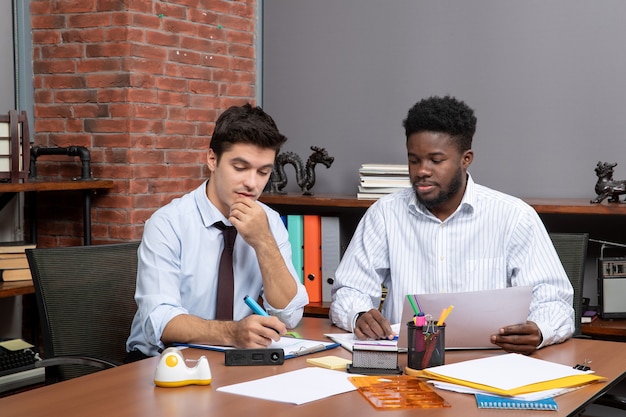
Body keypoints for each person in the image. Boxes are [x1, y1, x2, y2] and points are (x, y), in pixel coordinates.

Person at [330, 95, 574, 354]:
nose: (422, 170)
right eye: (414, 160)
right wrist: (358, 315)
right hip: (410, 366)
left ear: (465, 158)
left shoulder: (514, 217)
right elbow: (348, 290)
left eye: (435, 160)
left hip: (490, 363)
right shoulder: (384, 214)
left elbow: (554, 299)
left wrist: (539, 329)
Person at [126, 103, 309, 359]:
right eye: (240, 167)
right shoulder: (168, 223)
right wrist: (233, 333)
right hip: (163, 362)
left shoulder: (268, 221)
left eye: (263, 172)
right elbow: (160, 320)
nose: (252, 183)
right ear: (212, 159)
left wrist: (263, 241)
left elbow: (289, 315)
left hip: (235, 361)